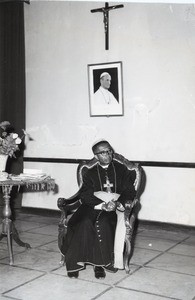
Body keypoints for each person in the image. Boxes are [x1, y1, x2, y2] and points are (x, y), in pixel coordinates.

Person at [62, 140, 136, 279]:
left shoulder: (122, 170)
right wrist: (102, 204)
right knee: (83, 222)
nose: (107, 154)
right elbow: (84, 194)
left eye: (109, 150)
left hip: (114, 206)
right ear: (96, 156)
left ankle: (99, 265)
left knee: (102, 223)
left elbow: (130, 191)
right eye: (103, 152)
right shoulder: (89, 173)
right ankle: (74, 263)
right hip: (93, 205)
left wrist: (117, 203)